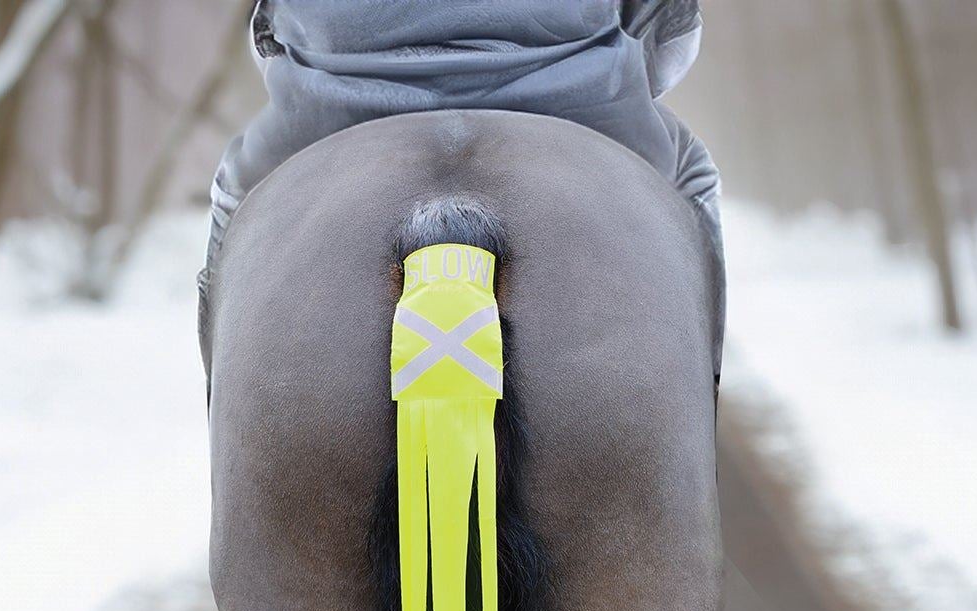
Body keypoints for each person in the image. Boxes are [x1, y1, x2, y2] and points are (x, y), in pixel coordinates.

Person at [198, 1, 724, 380]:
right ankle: (701, 398)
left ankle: (226, 404)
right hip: (575, 100)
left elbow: (267, 33)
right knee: (691, 174)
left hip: (336, 106)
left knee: (239, 197)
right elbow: (671, 34)